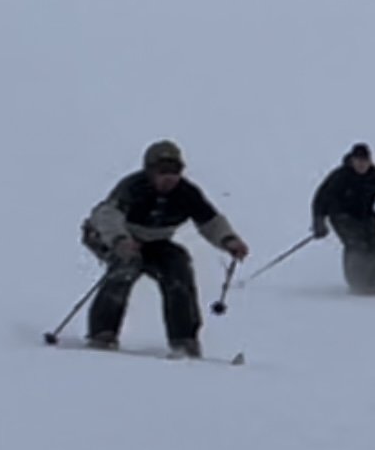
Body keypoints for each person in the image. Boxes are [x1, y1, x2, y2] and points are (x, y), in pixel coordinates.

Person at [80, 140, 249, 357]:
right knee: (126, 267)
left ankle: (184, 340)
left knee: (178, 266)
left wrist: (229, 240)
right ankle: (102, 334)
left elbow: (210, 222)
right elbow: (107, 216)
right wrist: (120, 241)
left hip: (155, 241)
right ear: (149, 171)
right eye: (163, 171)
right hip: (108, 236)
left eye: (175, 170)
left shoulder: (187, 193)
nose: (170, 177)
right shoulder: (132, 188)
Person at [311, 143, 375, 296]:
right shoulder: (340, 176)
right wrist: (319, 223)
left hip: (366, 216)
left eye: (365, 161)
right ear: (352, 160)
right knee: (357, 244)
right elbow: (321, 199)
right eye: (358, 161)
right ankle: (358, 284)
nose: (361, 165)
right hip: (341, 216)